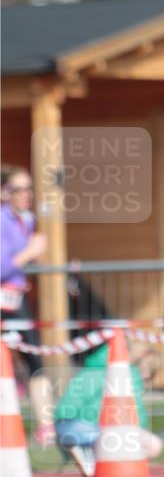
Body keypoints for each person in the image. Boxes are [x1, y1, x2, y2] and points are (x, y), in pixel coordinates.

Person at [0, 166, 55, 445]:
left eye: (29, 188)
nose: (26, 195)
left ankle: (46, 427)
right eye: (18, 189)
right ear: (3, 193)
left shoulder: (28, 220)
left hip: (17, 299)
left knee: (35, 361)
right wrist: (29, 253)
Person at [54, 341, 163, 477]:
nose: (146, 378)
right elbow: (135, 414)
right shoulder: (129, 375)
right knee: (153, 445)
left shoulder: (89, 370)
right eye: (148, 372)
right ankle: (104, 462)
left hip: (65, 426)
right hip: (95, 428)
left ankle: (89, 454)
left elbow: (65, 407)